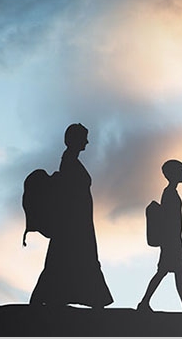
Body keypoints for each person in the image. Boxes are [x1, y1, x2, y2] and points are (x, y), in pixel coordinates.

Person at [30, 123, 113, 309]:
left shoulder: (70, 160)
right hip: (73, 224)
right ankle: (94, 300)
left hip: (79, 222)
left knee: (67, 260)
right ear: (75, 139)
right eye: (84, 138)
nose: (87, 142)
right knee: (64, 261)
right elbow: (68, 194)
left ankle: (91, 299)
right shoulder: (68, 161)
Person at [137, 160, 182, 313]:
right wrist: (173, 240)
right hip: (172, 241)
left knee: (174, 273)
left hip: (174, 240)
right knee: (168, 272)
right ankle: (146, 303)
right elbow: (169, 219)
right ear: (173, 174)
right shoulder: (169, 193)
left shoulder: (171, 193)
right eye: (181, 171)